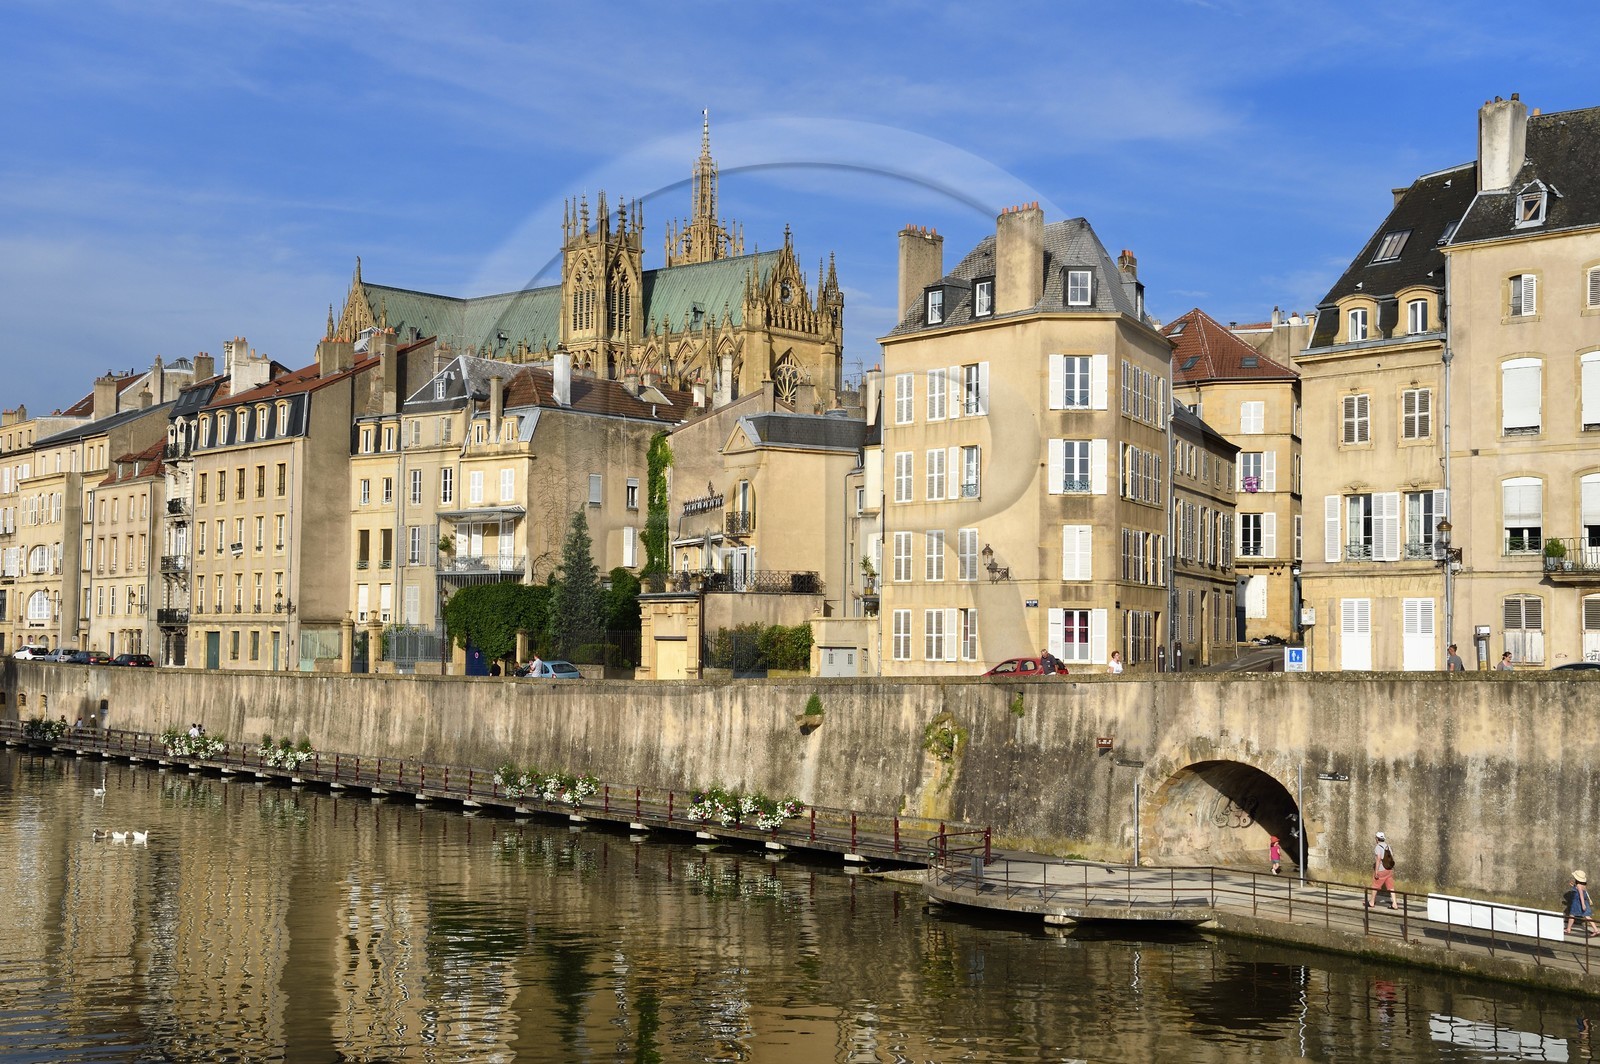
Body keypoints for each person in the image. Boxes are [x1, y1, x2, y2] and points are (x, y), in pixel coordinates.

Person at [1368, 831, 1399, 910]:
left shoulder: (1378, 847)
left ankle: (1371, 902)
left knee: (1375, 886)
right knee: (1391, 887)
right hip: (1389, 869)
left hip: (1381, 870)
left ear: (1377, 839)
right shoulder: (1388, 846)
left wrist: (1376, 871)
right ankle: (1394, 904)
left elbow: (1378, 859)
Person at [1567, 871, 1599, 936]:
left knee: (1572, 915)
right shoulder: (1583, 885)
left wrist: (1583, 904)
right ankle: (1596, 930)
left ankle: (1568, 929)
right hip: (1584, 901)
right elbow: (1580, 890)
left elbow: (1581, 894)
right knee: (1587, 916)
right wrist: (1573, 886)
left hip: (1577, 903)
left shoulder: (1578, 885)